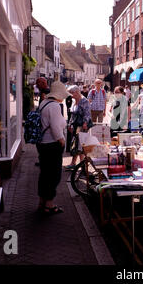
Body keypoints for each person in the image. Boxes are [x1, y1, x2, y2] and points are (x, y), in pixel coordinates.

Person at [36, 81, 71, 215]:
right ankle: (49, 204)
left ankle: (42, 201)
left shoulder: (44, 103)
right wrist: (61, 140)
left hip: (43, 144)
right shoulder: (55, 106)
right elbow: (56, 127)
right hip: (52, 145)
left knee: (44, 174)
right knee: (53, 175)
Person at [65, 85, 92, 171]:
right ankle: (76, 163)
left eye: (72, 93)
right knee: (75, 145)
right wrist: (69, 125)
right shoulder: (74, 101)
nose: (71, 95)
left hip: (82, 125)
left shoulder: (84, 101)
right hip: (75, 125)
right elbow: (72, 115)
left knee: (80, 145)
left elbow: (87, 114)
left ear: (77, 92)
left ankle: (81, 164)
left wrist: (85, 123)